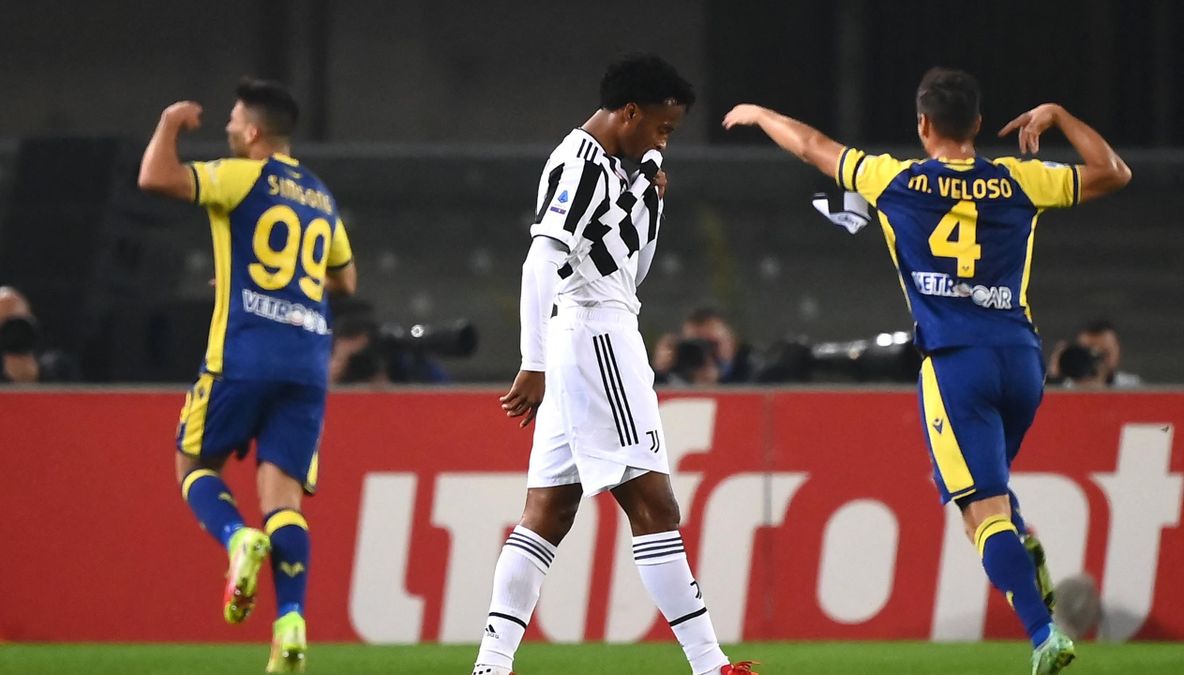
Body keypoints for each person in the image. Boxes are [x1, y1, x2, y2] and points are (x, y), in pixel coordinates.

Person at [724, 67, 1130, 674]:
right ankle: (1021, 540)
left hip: (956, 363)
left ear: (922, 125)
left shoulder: (893, 179)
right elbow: (1114, 172)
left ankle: (1044, 634)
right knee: (985, 497)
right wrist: (1059, 115)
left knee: (981, 512)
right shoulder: (1019, 179)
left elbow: (812, 146)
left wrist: (761, 114)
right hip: (1021, 362)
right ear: (978, 124)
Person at [474, 54, 755, 675]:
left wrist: (648, 194)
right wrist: (532, 361)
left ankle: (491, 664)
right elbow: (541, 261)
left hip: (584, 337)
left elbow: (630, 267)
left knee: (547, 514)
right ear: (629, 112)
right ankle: (711, 665)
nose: (664, 140)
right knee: (655, 507)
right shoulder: (581, 166)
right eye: (661, 127)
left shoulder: (611, 167)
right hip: (597, 340)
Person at [138, 78, 357, 673]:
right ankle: (290, 624)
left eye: (234, 121)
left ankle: (238, 538)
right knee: (284, 499)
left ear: (254, 132)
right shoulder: (320, 196)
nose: (229, 128)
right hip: (307, 364)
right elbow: (345, 280)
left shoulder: (243, 176)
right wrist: (280, 283)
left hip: (244, 355)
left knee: (193, 464)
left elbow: (156, 178)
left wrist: (169, 122)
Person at [0, 286, 78, 384]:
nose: (11, 334)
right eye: (0, 323)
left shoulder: (57, 366)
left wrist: (35, 376)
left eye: (16, 324)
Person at [680, 307, 758, 383]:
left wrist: (718, 383)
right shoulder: (678, 369)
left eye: (712, 344)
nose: (705, 353)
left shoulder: (754, 367)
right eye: (694, 347)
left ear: (731, 341)